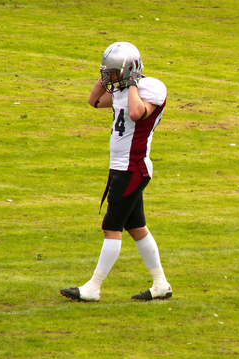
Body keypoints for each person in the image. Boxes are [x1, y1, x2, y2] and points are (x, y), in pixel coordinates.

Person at [60, 42, 172, 302]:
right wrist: (104, 79)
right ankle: (161, 284)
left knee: (112, 227)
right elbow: (94, 101)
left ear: (129, 70)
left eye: (113, 72)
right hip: (121, 167)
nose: (110, 77)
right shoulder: (122, 88)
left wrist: (131, 83)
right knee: (137, 227)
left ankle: (93, 288)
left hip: (133, 167)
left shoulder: (151, 88)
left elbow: (136, 113)